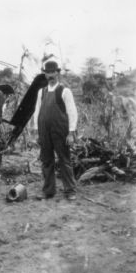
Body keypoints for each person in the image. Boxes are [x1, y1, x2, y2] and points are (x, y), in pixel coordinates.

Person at [31, 60, 78, 201]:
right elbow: (37, 111)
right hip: (44, 131)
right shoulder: (42, 92)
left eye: (52, 72)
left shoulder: (64, 91)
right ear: (44, 74)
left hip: (60, 130)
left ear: (57, 73)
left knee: (64, 160)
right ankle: (48, 191)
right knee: (46, 160)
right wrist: (36, 130)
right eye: (47, 72)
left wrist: (71, 132)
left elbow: (72, 112)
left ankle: (70, 190)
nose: (50, 75)